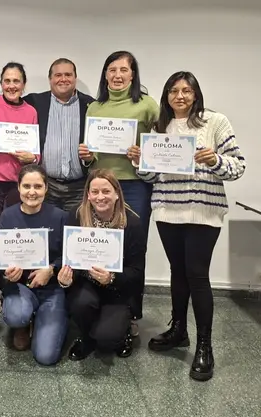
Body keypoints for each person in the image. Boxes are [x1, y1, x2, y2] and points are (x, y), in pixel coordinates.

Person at [129, 71, 246, 381]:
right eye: (173, 91)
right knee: (177, 272)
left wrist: (215, 160)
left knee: (197, 275)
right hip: (168, 209)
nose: (179, 96)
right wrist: (139, 162)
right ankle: (179, 329)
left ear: (196, 94)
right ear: (166, 95)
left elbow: (238, 166)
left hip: (202, 210)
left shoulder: (215, 122)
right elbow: (154, 176)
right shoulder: (160, 127)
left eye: (186, 90)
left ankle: (205, 346)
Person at [85, 51, 159, 337]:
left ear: (132, 74)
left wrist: (145, 154)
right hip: (101, 185)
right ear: (105, 75)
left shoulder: (146, 105)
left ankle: (131, 311)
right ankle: (102, 305)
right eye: (112, 70)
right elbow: (91, 156)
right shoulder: (95, 107)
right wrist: (87, 157)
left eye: (123, 70)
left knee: (133, 249)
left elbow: (164, 141)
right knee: (100, 244)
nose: (117, 75)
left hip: (134, 186)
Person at [0, 58, 95, 213]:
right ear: (50, 79)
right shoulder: (36, 102)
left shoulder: (90, 105)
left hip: (78, 187)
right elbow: (8, 101)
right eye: (58, 75)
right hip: (46, 186)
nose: (63, 79)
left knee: (73, 230)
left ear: (75, 78)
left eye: (68, 74)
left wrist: (33, 159)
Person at [58, 169, 146, 361]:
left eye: (106, 191)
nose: (100, 197)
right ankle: (86, 338)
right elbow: (68, 258)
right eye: (95, 191)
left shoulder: (132, 223)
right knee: (81, 304)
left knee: (107, 338)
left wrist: (112, 277)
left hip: (117, 291)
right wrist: (65, 279)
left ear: (117, 194)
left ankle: (123, 332)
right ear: (88, 195)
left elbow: (137, 271)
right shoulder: (76, 216)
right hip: (87, 284)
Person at [0, 62, 39, 314]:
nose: (12, 86)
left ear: (24, 85)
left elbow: (36, 153)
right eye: (7, 81)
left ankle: (11, 286)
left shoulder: (31, 111)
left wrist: (31, 158)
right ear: (1, 83)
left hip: (16, 184)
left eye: (16, 81)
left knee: (12, 236)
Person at [0, 164, 68, 366]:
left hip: (52, 289)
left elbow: (69, 255)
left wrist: (51, 269)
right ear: (18, 187)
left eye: (38, 186)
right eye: (26, 186)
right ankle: (23, 323)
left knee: (46, 357)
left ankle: (42, 320)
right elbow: (2, 257)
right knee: (17, 316)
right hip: (20, 285)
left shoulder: (60, 216)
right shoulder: (7, 216)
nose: (32, 192)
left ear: (46, 188)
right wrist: (8, 271)